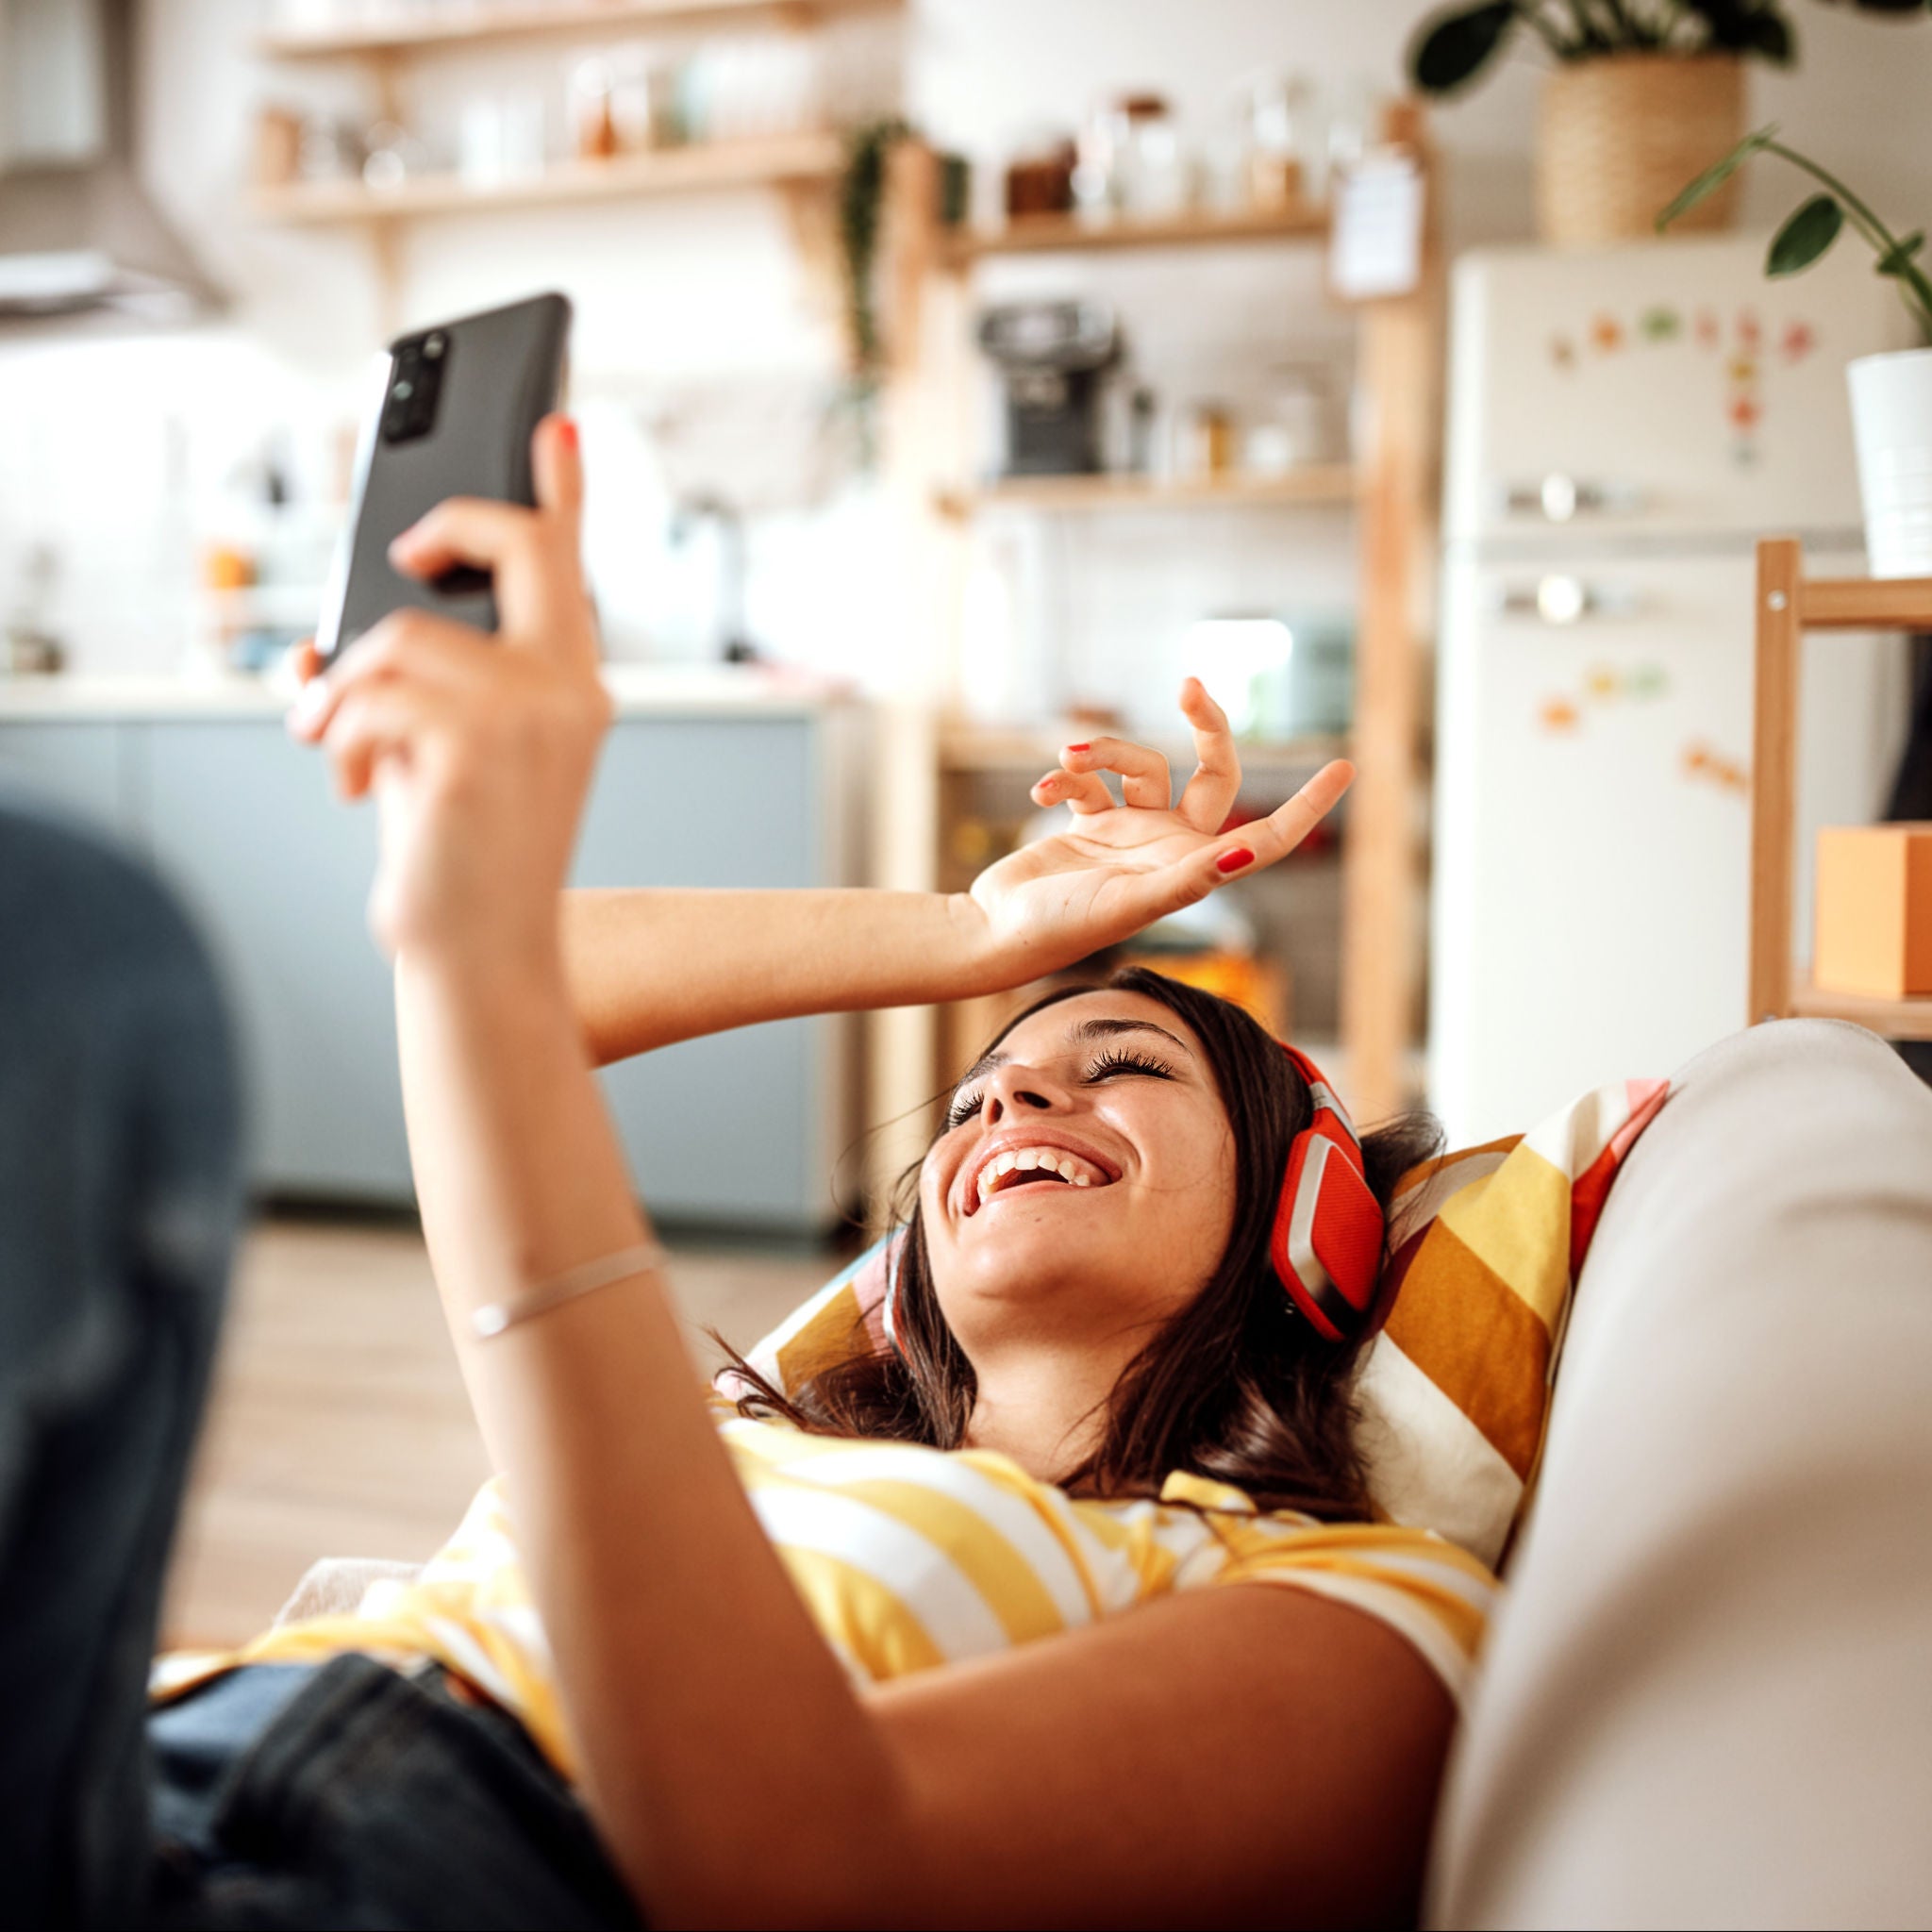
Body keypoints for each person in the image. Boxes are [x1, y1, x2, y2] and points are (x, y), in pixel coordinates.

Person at [3, 417, 1494, 1931]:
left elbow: (794, 1862)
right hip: (164, 1759)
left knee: (77, 945)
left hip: (422, 1862)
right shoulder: (757, 1434)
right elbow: (524, 992)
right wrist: (972, 940)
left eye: (1126, 1067)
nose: (1022, 1092)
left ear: (1309, 1216)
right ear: (903, 1279)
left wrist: (481, 934)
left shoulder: (1357, 1605)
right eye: (979, 1100)